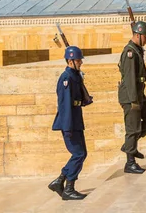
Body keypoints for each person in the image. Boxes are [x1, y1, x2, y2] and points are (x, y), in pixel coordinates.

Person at [49, 46, 92, 200]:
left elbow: (77, 99)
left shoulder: (75, 76)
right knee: (78, 153)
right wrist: (67, 127)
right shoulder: (66, 78)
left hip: (76, 120)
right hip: (69, 122)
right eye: (78, 59)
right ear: (70, 60)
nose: (81, 62)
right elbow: (65, 104)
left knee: (82, 153)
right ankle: (68, 188)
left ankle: (60, 181)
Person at [118, 21, 146, 173]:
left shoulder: (137, 49)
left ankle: (130, 146)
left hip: (138, 93)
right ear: (138, 35)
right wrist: (134, 101)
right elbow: (129, 79)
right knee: (133, 128)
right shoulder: (130, 52)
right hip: (131, 96)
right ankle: (130, 162)